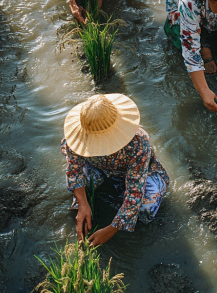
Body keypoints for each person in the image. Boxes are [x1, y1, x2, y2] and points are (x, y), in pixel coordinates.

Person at [61, 94, 169, 246]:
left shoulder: (138, 142)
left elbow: (135, 191)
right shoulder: (75, 137)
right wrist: (83, 204)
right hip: (100, 169)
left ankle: (116, 205)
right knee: (85, 193)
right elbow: (74, 170)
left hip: (136, 173)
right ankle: (90, 206)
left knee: (146, 209)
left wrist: (111, 229)